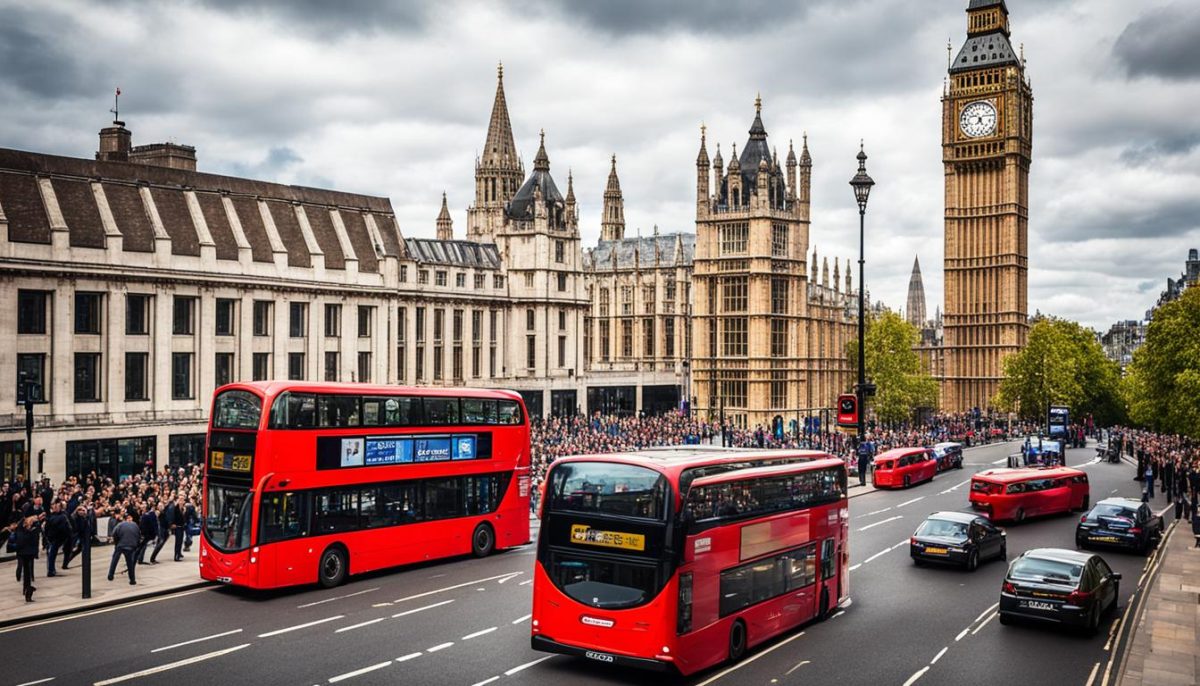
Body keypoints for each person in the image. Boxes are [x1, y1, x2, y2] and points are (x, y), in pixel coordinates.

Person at [108, 513, 139, 585]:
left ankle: (111, 574)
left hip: (121, 545)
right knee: (130, 563)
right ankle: (132, 580)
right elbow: (138, 535)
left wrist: (116, 544)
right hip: (131, 546)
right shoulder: (135, 525)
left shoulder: (119, 525)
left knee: (115, 559)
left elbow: (114, 535)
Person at [44, 501, 72, 577]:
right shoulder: (51, 516)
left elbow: (66, 528)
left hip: (58, 538)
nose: (55, 508)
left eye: (57, 506)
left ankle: (51, 570)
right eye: (54, 506)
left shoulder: (62, 516)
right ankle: (51, 570)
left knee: (52, 554)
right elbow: (46, 527)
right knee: (51, 555)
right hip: (53, 538)